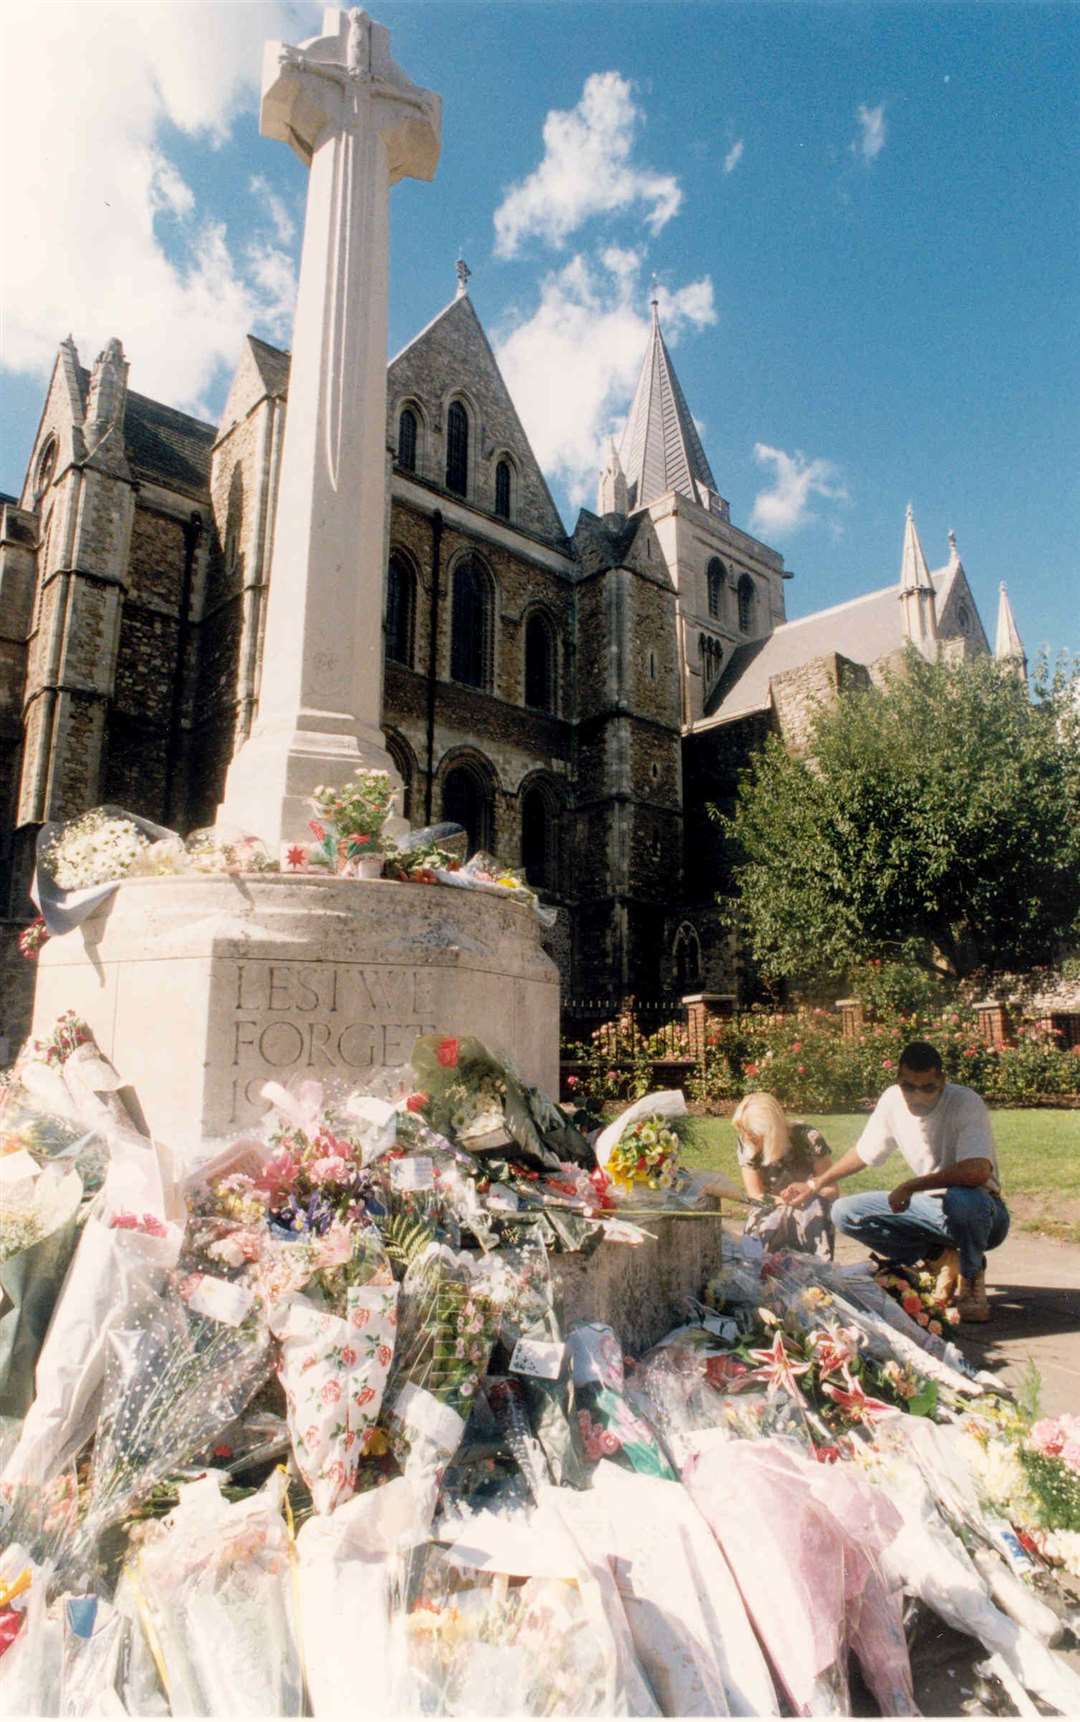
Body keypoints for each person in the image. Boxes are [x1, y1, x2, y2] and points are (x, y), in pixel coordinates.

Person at [779, 1040, 1009, 1322]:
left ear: (942, 1081)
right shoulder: (892, 1100)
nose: (917, 1096)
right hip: (929, 1209)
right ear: (899, 1079)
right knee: (845, 1212)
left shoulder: (964, 1102)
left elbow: (977, 1172)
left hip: (983, 1214)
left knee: (963, 1198)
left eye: (927, 1087)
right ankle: (941, 1258)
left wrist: (911, 1186)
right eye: (909, 1086)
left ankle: (972, 1277)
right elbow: (864, 1152)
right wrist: (815, 1184)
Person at [733, 1091, 837, 1259]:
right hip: (771, 1203)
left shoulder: (807, 1138)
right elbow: (755, 1194)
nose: (746, 1136)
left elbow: (831, 1189)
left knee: (815, 1213)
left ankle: (818, 1275)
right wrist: (782, 1202)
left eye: (751, 1132)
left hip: (810, 1200)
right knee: (759, 1228)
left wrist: (807, 1193)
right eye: (743, 1130)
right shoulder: (746, 1143)